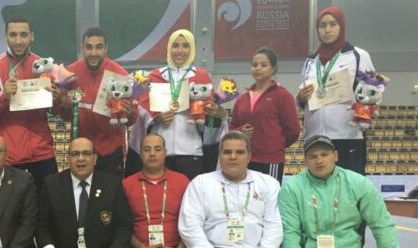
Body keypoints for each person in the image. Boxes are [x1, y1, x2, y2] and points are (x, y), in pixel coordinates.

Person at [0, 15, 66, 193]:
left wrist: (58, 99)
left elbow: (58, 111)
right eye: (13, 35)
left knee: (47, 204)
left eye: (23, 35)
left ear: (32, 36)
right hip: (10, 155)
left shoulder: (45, 66)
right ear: (5, 37)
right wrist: (3, 96)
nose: (18, 41)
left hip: (42, 152)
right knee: (11, 208)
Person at [128, 29, 227, 180]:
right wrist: (155, 118)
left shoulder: (202, 76)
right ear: (168, 48)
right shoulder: (154, 76)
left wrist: (215, 113)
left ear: (192, 49)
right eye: (175, 46)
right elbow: (141, 111)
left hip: (191, 151)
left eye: (185, 46)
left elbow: (210, 119)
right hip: (159, 151)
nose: (180, 51)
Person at [296, 6, 374, 175]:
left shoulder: (358, 56)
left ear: (341, 26)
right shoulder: (310, 61)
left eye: (333, 24)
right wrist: (301, 98)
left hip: (348, 135)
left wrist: (363, 109)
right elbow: (303, 100)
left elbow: (373, 92)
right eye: (322, 25)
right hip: (315, 136)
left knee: (349, 186)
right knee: (317, 186)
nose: (327, 30)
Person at [64, 27, 134, 177]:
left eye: (99, 47)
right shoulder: (69, 74)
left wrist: (129, 112)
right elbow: (61, 113)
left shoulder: (120, 75)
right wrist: (64, 102)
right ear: (82, 48)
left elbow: (132, 119)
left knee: (110, 191)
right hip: (81, 151)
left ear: (106, 49)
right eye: (89, 47)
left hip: (110, 152)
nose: (94, 53)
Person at [231, 47, 300, 183]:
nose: (258, 68)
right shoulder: (242, 98)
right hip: (245, 159)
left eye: (263, 65)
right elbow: (232, 126)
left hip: (270, 160)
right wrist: (240, 132)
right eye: (254, 65)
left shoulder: (282, 96)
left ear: (273, 68)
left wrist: (274, 145)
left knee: (268, 195)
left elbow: (293, 130)